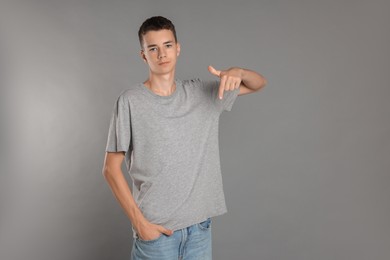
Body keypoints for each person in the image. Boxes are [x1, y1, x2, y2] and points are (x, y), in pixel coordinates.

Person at [102, 16, 267, 260]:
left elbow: (258, 84)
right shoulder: (130, 102)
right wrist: (140, 224)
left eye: (168, 45)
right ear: (143, 55)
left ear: (178, 49)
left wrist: (238, 72)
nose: (162, 54)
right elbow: (110, 168)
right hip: (156, 234)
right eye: (153, 48)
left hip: (199, 232)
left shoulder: (202, 93)